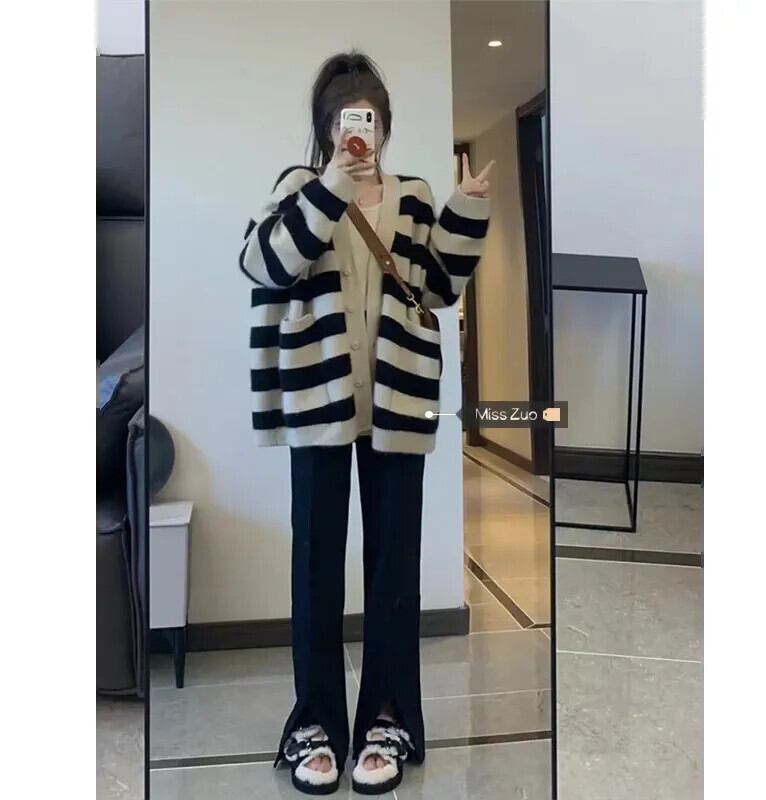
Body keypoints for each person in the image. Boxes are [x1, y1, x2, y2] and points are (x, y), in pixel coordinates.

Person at [238, 50, 493, 796]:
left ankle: (385, 716)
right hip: (318, 402)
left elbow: (437, 287)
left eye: (370, 119)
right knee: (315, 566)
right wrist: (331, 187)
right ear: (327, 125)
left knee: (394, 568)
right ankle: (315, 723)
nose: (359, 131)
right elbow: (262, 263)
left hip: (398, 400)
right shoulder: (300, 187)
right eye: (347, 119)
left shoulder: (412, 195)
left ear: (384, 123)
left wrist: (465, 208)